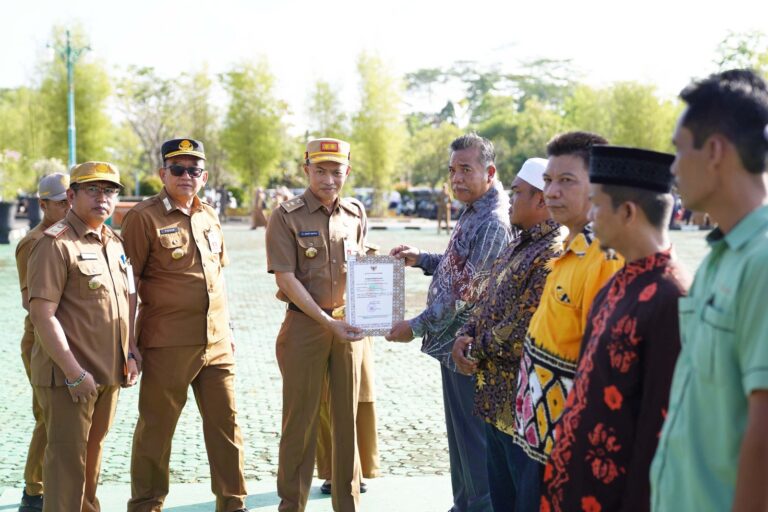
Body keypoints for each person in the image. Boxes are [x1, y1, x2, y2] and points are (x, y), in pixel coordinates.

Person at [542, 146, 690, 512]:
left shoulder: (672, 297)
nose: (590, 216)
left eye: (596, 204)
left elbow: (661, 430)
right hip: (579, 486)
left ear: (627, 211)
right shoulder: (619, 283)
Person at [651, 69, 768, 511]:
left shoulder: (762, 262)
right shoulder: (721, 256)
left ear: (715, 151)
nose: (674, 168)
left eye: (680, 151)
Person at [387, 133, 512, 512]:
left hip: (471, 350)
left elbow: (465, 291)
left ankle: (477, 507)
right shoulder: (474, 208)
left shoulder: (493, 221)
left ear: (489, 172)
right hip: (454, 347)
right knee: (461, 442)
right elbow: (460, 263)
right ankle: (464, 505)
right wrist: (421, 258)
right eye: (452, 170)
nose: (456, 178)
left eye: (466, 170)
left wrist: (416, 325)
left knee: (474, 446)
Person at [122, 139, 249, 512]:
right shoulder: (144, 218)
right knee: (156, 431)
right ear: (163, 174)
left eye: (194, 170)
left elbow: (217, 278)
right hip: (167, 344)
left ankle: (233, 503)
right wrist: (129, 344)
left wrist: (228, 330)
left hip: (216, 343)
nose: (186, 176)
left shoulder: (209, 215)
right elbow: (127, 285)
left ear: (204, 176)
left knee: (227, 428)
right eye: (178, 169)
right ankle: (146, 504)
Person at [510, 132, 623, 510]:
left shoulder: (604, 257)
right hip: (538, 437)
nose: (551, 192)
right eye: (548, 181)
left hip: (565, 451)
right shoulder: (567, 248)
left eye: (567, 181)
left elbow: (601, 366)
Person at [449, 157, 563, 511]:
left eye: (517, 194)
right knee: (501, 499)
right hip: (494, 402)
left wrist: (474, 348)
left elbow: (522, 327)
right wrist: (465, 333)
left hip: (522, 411)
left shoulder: (552, 253)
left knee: (523, 501)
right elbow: (486, 299)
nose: (510, 200)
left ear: (541, 200)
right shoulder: (519, 243)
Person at [27, 161, 138, 512]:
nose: (102, 198)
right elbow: (43, 315)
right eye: (93, 190)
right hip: (68, 378)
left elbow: (126, 300)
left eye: (109, 191)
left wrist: (131, 351)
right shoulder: (54, 244)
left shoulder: (112, 240)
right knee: (65, 470)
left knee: (91, 466)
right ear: (72, 195)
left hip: (107, 375)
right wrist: (75, 373)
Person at [266, 138, 367, 512]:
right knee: (300, 423)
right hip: (305, 329)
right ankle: (291, 505)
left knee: (347, 422)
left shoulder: (355, 214)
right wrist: (326, 322)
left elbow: (361, 271)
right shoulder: (286, 215)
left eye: (336, 171)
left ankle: (348, 503)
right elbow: (285, 278)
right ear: (306, 169)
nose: (329, 178)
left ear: (347, 172)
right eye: (320, 170)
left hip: (348, 330)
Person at [14, 173, 71, 511]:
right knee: (47, 417)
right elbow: (31, 303)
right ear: (43, 204)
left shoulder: (74, 237)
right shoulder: (34, 243)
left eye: (70, 199)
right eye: (61, 202)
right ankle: (34, 491)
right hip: (42, 340)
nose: (67, 206)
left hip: (77, 339)